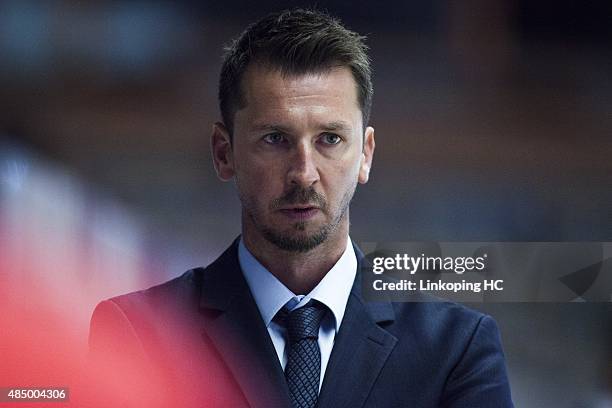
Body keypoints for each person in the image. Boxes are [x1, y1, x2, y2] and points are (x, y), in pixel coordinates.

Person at [87, 8, 514, 408]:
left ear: (365, 155)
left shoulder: (456, 347)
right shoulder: (139, 333)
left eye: (330, 139)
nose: (304, 173)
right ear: (223, 153)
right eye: (275, 139)